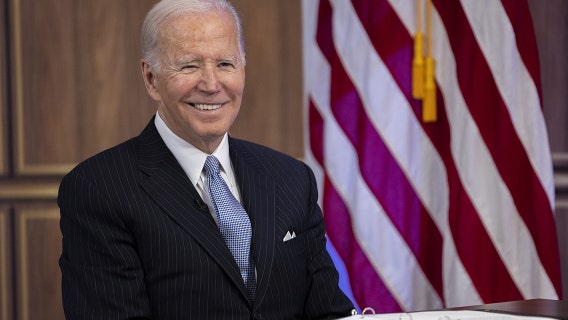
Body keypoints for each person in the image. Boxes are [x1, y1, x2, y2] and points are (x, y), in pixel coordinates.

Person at [57, 0, 354, 319]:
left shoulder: (292, 179)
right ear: (151, 78)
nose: (212, 85)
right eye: (189, 66)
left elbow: (329, 312)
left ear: (243, 69)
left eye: (226, 64)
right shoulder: (98, 189)